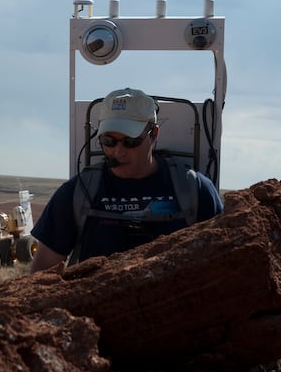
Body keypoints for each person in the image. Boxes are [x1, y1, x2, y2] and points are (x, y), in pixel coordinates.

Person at [30, 87, 223, 273]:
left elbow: (222, 263)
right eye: (108, 141)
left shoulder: (194, 190)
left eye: (130, 141)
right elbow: (42, 274)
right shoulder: (77, 193)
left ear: (154, 134)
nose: (118, 151)